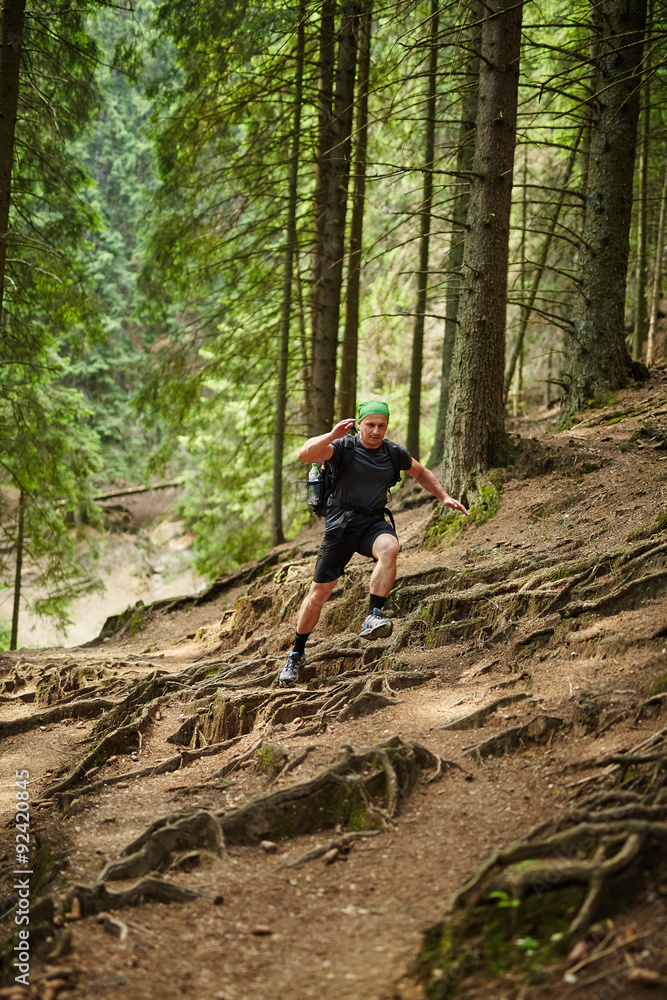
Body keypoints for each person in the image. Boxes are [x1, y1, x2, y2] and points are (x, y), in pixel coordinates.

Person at [278, 400, 469, 686]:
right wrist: (332, 434)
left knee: (390, 548)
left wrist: (443, 496)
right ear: (360, 423)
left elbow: (420, 472)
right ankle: (297, 652)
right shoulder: (343, 447)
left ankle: (374, 615)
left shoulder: (393, 453)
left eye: (382, 425)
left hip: (372, 522)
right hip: (341, 525)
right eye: (370, 425)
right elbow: (305, 454)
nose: (376, 430)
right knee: (319, 594)